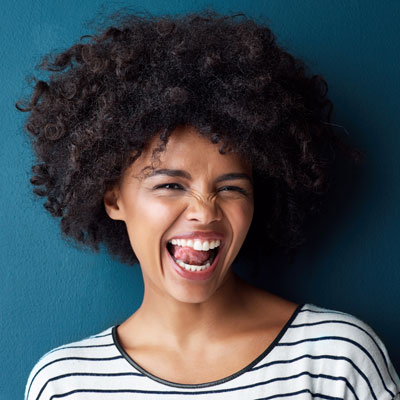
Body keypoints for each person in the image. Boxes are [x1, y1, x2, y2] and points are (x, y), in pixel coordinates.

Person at [19, 10, 399, 400]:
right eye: (170, 185)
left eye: (231, 188)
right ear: (114, 198)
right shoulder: (66, 384)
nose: (204, 211)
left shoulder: (335, 361)